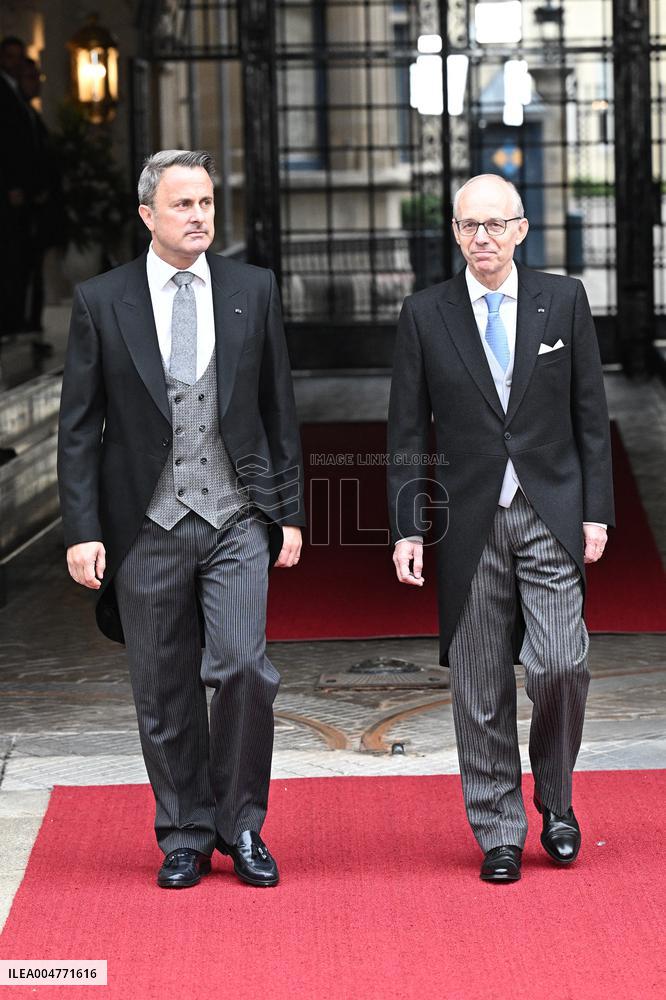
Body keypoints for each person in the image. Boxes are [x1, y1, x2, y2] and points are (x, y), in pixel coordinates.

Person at [58, 149, 305, 889]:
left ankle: (243, 826)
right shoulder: (103, 300)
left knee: (242, 669)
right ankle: (185, 834)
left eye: (205, 203)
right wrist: (82, 529)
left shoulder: (251, 289)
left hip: (236, 515)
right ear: (148, 215)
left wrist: (288, 514)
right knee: (161, 687)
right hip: (145, 523)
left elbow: (278, 409)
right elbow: (78, 428)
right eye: (183, 205)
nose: (199, 216)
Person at [388, 173, 614, 883]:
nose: (480, 238)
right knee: (480, 685)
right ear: (454, 233)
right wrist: (407, 527)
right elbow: (404, 432)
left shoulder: (564, 301)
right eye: (467, 227)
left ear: (520, 229)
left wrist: (596, 511)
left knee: (560, 665)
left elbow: (590, 417)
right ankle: (499, 833)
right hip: (467, 521)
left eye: (494, 225)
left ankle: (557, 800)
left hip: (549, 511)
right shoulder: (426, 314)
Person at [0, 36, 36, 335]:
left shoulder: (18, 96)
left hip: (23, 196)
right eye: (10, 57)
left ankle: (17, 321)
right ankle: (11, 321)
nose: (15, 64)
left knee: (20, 261)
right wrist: (12, 183)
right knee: (11, 260)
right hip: (9, 194)